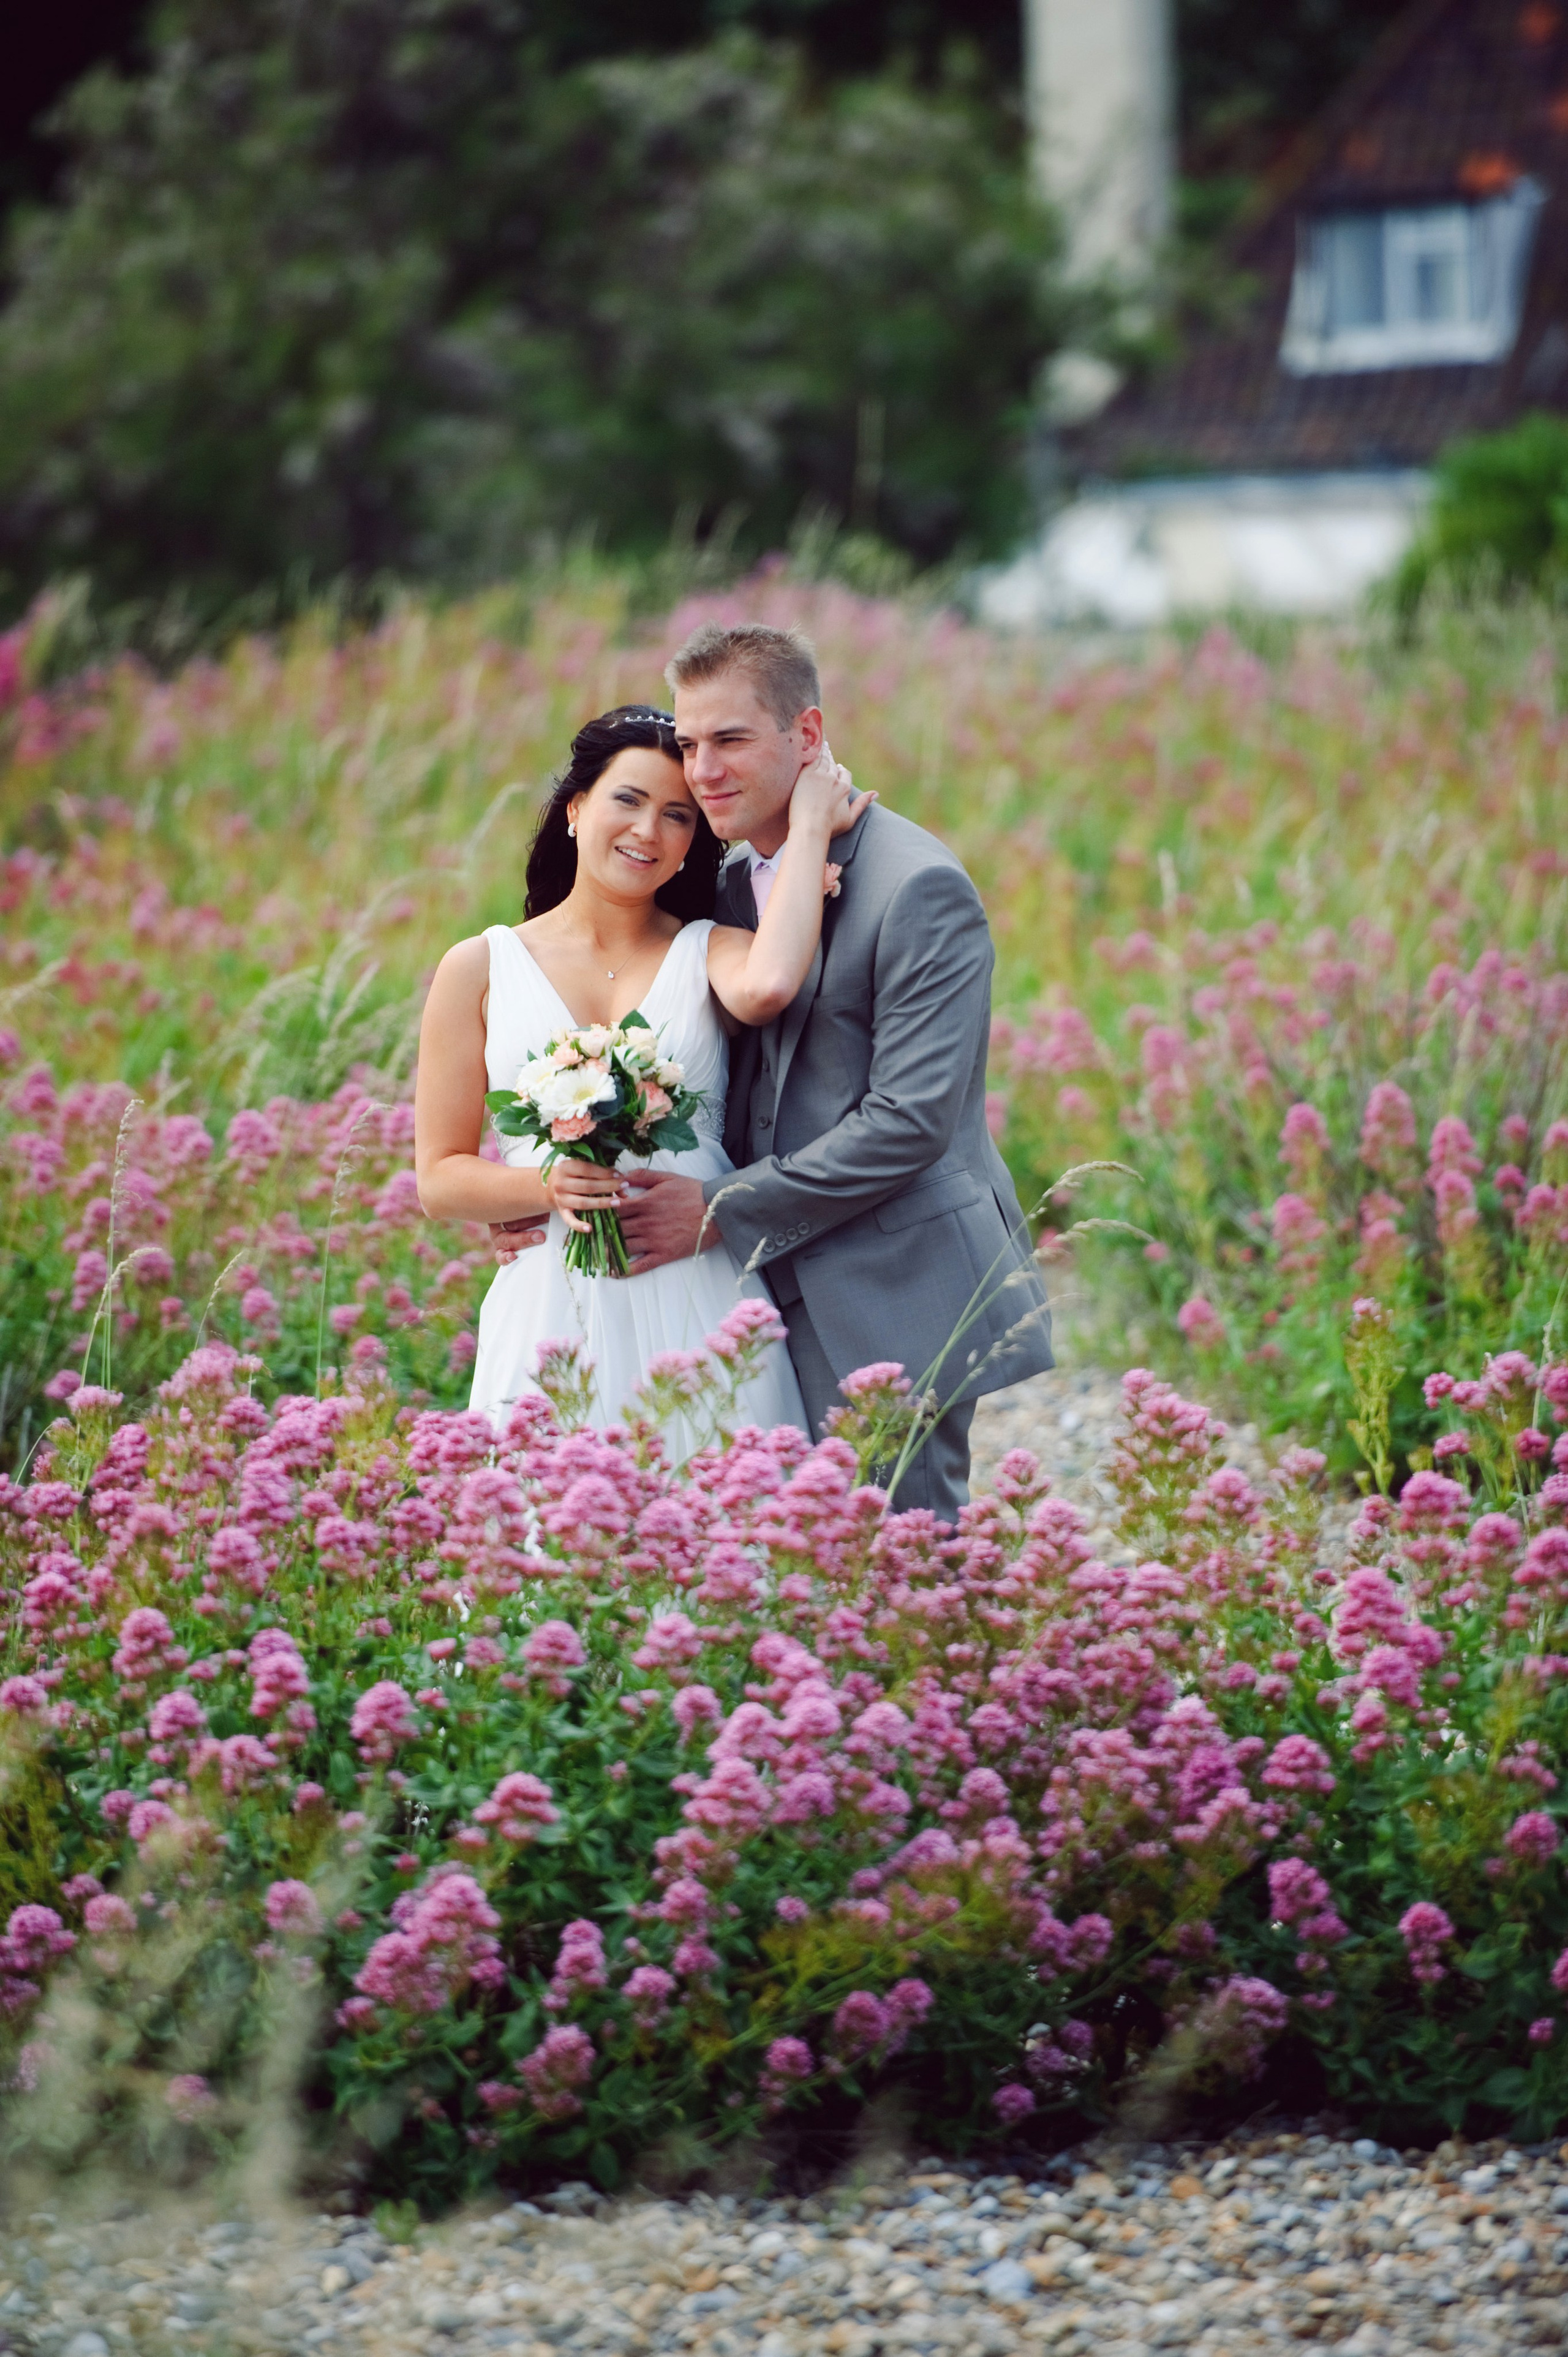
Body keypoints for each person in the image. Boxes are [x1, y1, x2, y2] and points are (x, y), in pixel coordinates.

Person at [505, 622, 1054, 1524]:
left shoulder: (915, 884)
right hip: (744, 1294)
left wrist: (718, 1210)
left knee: (899, 1559)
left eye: (730, 739)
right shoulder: (724, 885)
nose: (703, 770)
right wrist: (553, 1193)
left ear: (808, 734)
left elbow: (911, 1121)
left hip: (885, 1285)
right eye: (690, 743)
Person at [415, 703, 869, 1451]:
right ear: (574, 808)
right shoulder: (480, 966)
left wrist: (811, 826)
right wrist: (546, 1185)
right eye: (627, 800)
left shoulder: (712, 947)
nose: (648, 832)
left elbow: (767, 987)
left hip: (700, 1288)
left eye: (678, 816)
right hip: (550, 1304)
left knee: (726, 1506)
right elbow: (439, 1178)